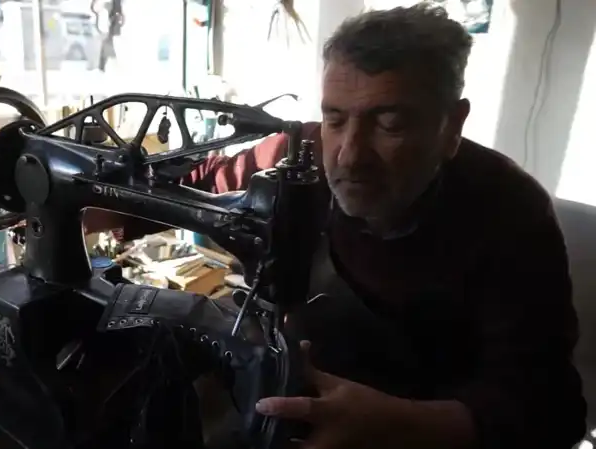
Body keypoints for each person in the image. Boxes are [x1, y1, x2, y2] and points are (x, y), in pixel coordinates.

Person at [85, 4, 586, 449]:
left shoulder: (509, 212)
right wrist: (102, 201)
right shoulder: (296, 157)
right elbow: (198, 180)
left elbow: (550, 410)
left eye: (389, 124)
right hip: (290, 397)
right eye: (335, 118)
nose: (348, 155)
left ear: (452, 126)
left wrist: (404, 425)